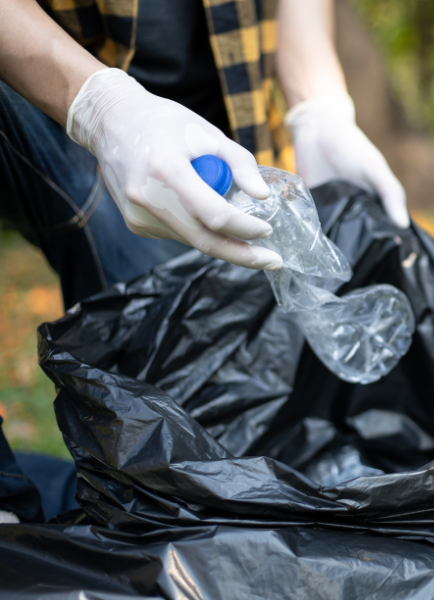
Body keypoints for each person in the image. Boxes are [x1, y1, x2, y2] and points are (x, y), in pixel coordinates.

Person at [0, 0, 409, 523]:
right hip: (39, 83)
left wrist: (318, 106)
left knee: (175, 453)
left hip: (207, 154)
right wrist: (100, 105)